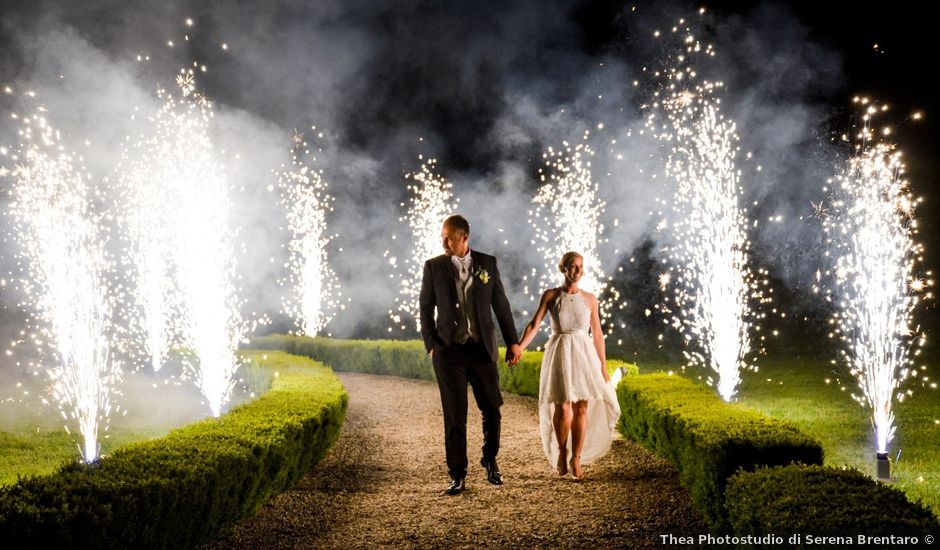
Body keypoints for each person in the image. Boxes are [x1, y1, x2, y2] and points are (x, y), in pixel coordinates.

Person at [420, 214, 522, 496]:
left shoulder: (487, 264)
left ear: (464, 237)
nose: (444, 241)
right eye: (443, 236)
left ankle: (490, 460)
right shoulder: (434, 267)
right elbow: (425, 308)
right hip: (449, 351)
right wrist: (431, 344)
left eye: (449, 237)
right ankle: (457, 474)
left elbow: (500, 304)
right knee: (455, 414)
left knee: (492, 408)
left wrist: (513, 342)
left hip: (481, 349)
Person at [518, 251, 620, 480]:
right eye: (573, 266)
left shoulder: (591, 299)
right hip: (560, 351)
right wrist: (520, 347)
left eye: (581, 266)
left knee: (581, 408)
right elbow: (534, 324)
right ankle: (562, 449)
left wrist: (602, 366)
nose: (578, 270)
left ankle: (577, 457)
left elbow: (598, 334)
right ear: (563, 268)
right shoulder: (552, 295)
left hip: (583, 354)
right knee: (562, 407)